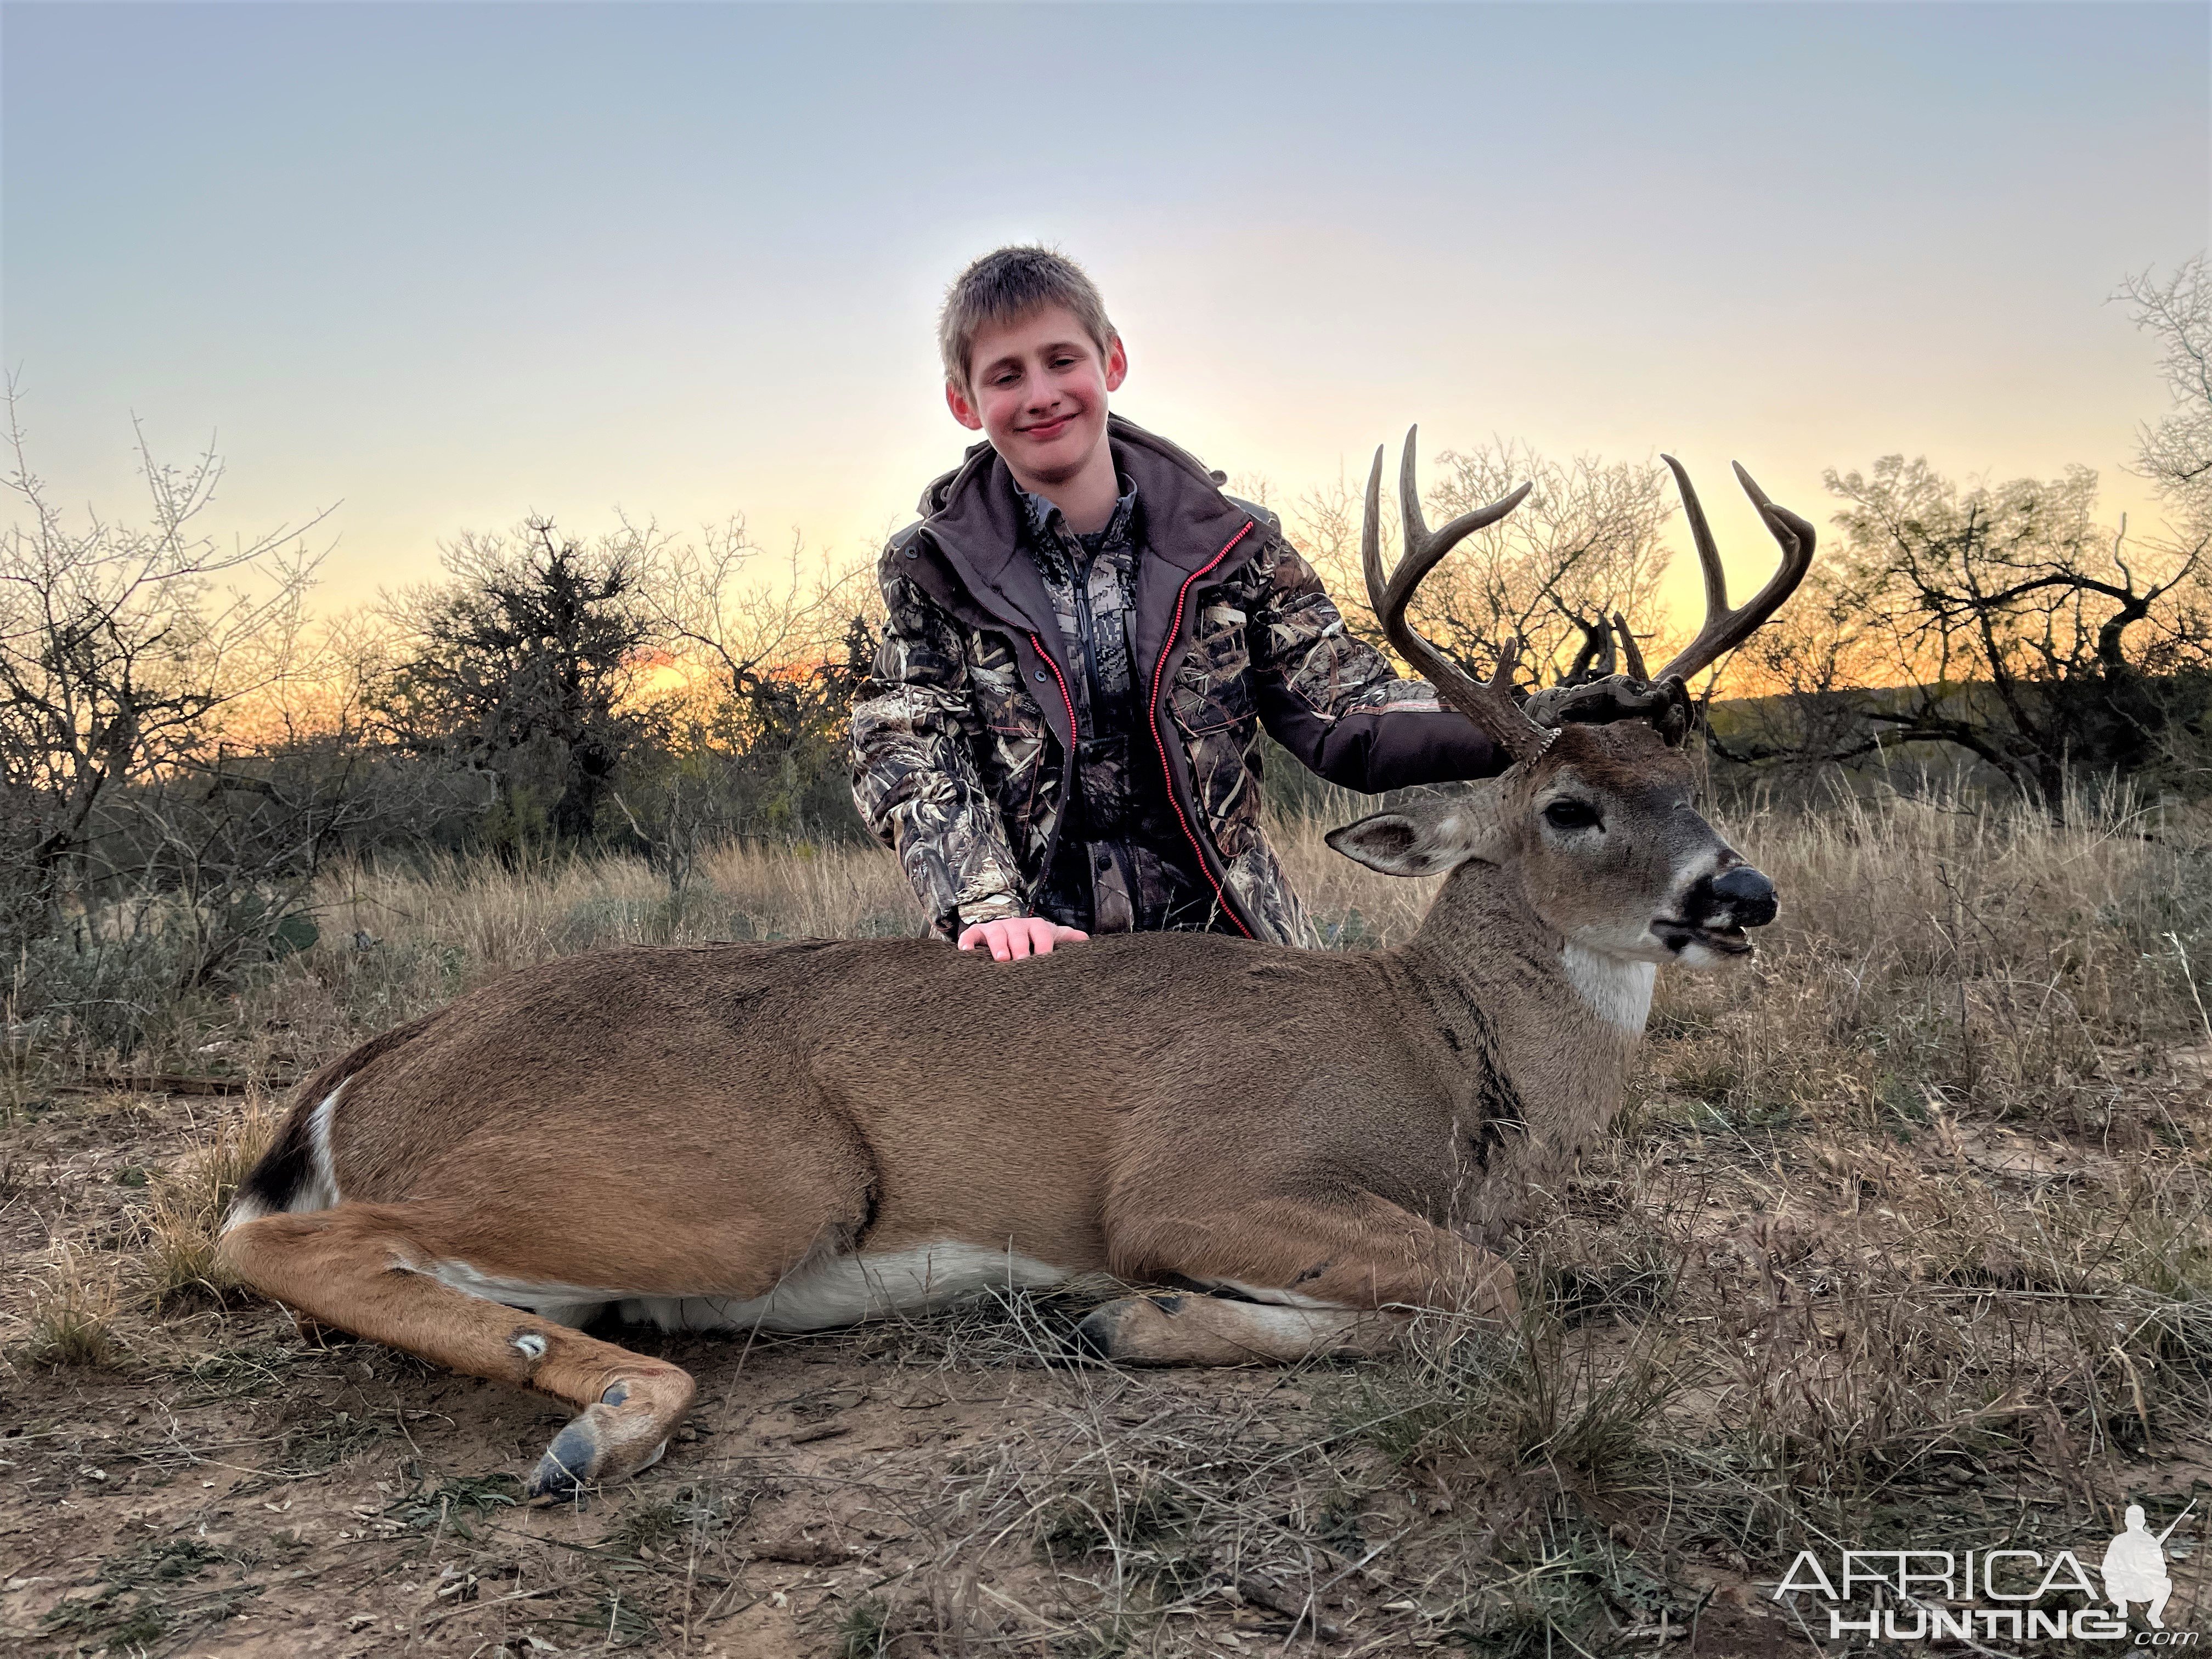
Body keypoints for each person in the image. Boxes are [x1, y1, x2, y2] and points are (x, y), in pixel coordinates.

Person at [848, 245, 1513, 960]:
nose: (1041, 394)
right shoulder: (934, 569)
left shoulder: (1239, 550)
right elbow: (908, 741)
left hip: (1232, 954)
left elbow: (1348, 708)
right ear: (964, 402)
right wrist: (986, 906)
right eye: (1006, 376)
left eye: (1062, 361)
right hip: (1036, 963)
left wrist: (1533, 723)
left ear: (1112, 362)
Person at [2102, 1504, 2176, 1628]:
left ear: (2143, 1522)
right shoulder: (2118, 1541)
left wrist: (2146, 1571)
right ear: (2126, 1522)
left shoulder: (2151, 1541)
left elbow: (2161, 1570)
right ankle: (2122, 1607)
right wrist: (2124, 1574)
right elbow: (2106, 1569)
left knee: (2166, 1584)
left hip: (2143, 1587)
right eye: (2132, 1520)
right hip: (2121, 1587)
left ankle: (2154, 1615)